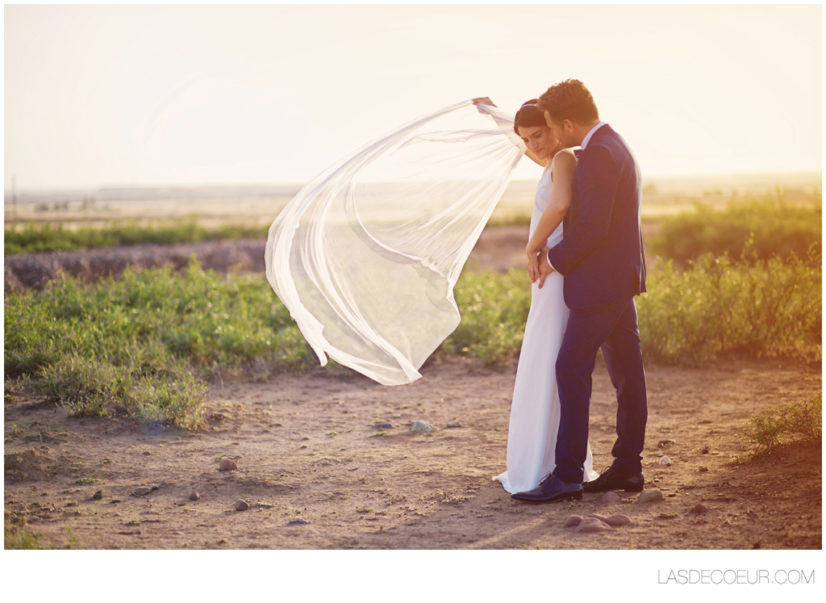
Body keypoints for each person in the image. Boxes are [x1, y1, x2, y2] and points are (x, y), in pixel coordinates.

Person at [510, 79, 648, 503]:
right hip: (615, 280)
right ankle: (628, 467)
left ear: (566, 123)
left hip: (600, 285)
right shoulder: (611, 144)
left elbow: (592, 229)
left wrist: (549, 259)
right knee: (627, 373)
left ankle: (568, 473)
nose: (548, 135)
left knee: (571, 368)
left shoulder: (601, 154)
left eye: (550, 125)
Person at [473, 97, 598, 495]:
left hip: (556, 273)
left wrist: (533, 245)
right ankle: (544, 459)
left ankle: (552, 464)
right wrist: (498, 117)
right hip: (548, 274)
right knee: (541, 358)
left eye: (538, 135)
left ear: (554, 126)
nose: (533, 144)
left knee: (548, 359)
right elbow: (526, 147)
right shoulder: (550, 158)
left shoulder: (565, 159)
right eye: (525, 138)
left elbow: (560, 205)